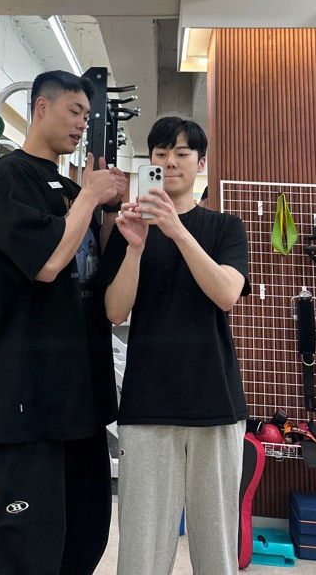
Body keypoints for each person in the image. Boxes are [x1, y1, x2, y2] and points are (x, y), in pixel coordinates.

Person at [0, 70, 127, 575]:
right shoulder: (9, 178)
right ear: (41, 107)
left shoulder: (69, 188)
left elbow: (95, 273)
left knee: (83, 532)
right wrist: (90, 198)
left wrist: (111, 214)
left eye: (87, 116)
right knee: (17, 545)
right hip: (27, 398)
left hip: (79, 396)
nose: (81, 124)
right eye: (74, 111)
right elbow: (49, 263)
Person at [99, 116, 250, 575]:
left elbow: (226, 294)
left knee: (217, 547)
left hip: (216, 404)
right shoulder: (129, 229)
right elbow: (115, 311)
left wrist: (177, 230)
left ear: (200, 163)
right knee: (141, 550)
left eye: (182, 153)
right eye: (160, 154)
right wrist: (135, 248)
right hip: (147, 406)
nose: (170, 162)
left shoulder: (225, 227)